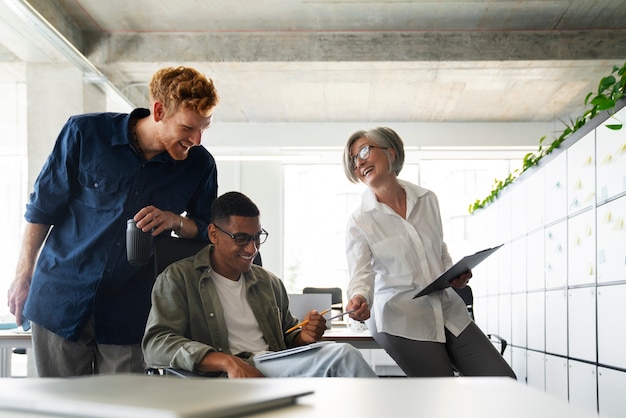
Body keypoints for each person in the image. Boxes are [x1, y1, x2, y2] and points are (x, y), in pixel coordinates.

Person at [7, 66, 220, 377]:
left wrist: (175, 221)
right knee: (58, 410)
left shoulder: (199, 166)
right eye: (188, 127)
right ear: (159, 110)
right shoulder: (84, 133)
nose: (197, 140)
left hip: (132, 312)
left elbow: (208, 230)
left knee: (126, 409)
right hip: (61, 297)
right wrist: (22, 275)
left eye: (204, 128)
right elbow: (42, 208)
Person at [142, 191, 377, 378]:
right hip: (226, 376)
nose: (252, 249)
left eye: (257, 238)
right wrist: (228, 362)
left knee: (339, 359)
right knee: (342, 356)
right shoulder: (178, 278)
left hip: (271, 365)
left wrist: (305, 336)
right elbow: (157, 343)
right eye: (242, 239)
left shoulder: (268, 282)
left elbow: (288, 336)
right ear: (213, 234)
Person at [342, 127, 516, 378]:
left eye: (365, 151)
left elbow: (439, 248)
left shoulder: (427, 200)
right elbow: (361, 274)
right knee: (441, 392)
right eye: (354, 159)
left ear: (391, 152)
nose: (359, 162)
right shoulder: (360, 221)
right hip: (400, 317)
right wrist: (359, 298)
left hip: (446, 308)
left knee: (504, 382)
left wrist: (454, 273)